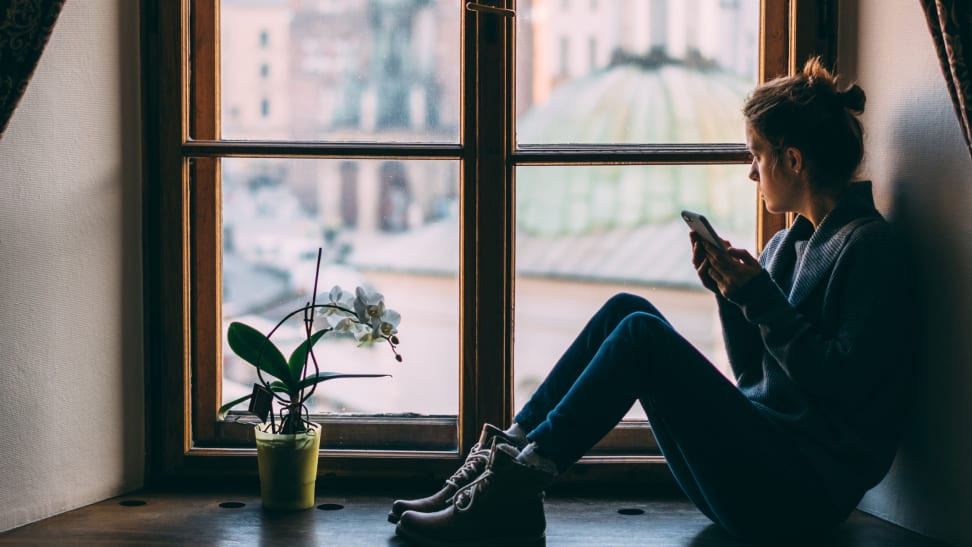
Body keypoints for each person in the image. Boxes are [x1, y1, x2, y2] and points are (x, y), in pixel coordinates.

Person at [389, 57, 914, 546]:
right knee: (626, 308)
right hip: (764, 469)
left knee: (642, 337)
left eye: (756, 156)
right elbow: (757, 378)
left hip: (800, 497)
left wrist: (757, 299)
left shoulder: (869, 246)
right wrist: (730, 296)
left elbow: (844, 386)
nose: (752, 172)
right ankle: (497, 466)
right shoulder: (787, 244)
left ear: (792, 160)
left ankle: (517, 489)